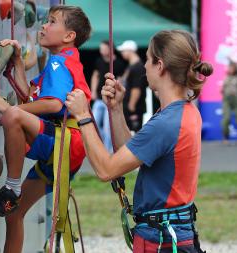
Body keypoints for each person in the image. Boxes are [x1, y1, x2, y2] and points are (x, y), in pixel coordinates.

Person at [65, 30, 213, 253]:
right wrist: (115, 109)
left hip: (161, 239)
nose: (144, 66)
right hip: (170, 232)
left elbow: (106, 170)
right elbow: (132, 155)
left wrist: (83, 116)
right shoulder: (183, 112)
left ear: (160, 65)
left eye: (148, 59)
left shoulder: (166, 123)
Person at [0, 5, 92, 253]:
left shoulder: (59, 63)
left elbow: (53, 103)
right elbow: (31, 99)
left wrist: (8, 110)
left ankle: (11, 187)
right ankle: (13, 193)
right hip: (67, 148)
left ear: (68, 36)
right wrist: (18, 63)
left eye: (52, 22)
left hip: (65, 142)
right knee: (14, 215)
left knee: (12, 116)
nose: (43, 25)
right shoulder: (64, 63)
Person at [91, 40, 126, 151]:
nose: (101, 50)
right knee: (94, 124)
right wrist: (93, 91)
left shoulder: (119, 63)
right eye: (101, 48)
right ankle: (101, 147)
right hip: (98, 98)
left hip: (110, 99)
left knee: (108, 127)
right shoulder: (99, 61)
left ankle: (108, 151)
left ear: (110, 49)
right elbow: (95, 75)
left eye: (104, 48)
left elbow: (120, 81)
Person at [118, 40, 148, 132]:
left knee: (134, 134)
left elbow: (137, 88)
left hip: (134, 108)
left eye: (123, 51)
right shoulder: (131, 66)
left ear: (130, 51)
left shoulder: (138, 67)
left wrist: (131, 107)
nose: (121, 53)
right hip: (128, 107)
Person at [221, 60, 237, 144]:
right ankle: (225, 138)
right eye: (229, 67)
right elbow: (222, 89)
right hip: (226, 100)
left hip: (236, 100)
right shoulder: (226, 77)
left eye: (232, 67)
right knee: (226, 118)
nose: (230, 69)